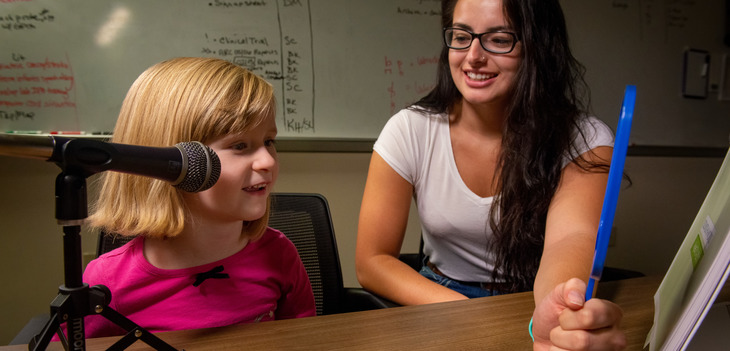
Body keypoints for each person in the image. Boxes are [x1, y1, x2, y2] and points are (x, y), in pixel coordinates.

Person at [355, 0, 626, 350]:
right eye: (461, 35)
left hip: (532, 301)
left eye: (498, 40)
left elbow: (569, 240)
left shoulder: (586, 140)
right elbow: (372, 261)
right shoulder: (409, 129)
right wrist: (470, 313)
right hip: (437, 298)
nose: (473, 56)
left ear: (537, 45)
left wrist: (552, 313)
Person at [73, 57, 315, 339]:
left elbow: (304, 338)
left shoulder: (278, 254)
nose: (267, 162)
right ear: (167, 164)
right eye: (239, 145)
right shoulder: (108, 281)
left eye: (269, 142)